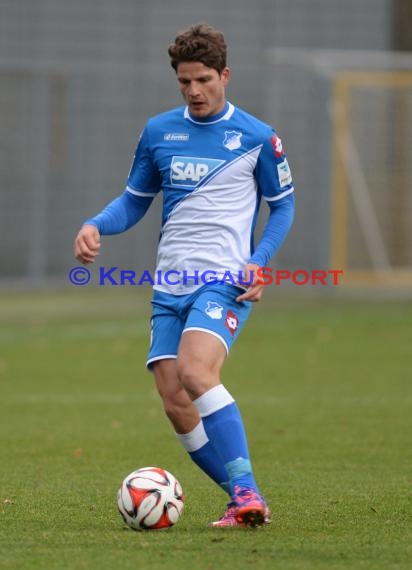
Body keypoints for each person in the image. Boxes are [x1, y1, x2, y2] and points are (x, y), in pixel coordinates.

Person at [74, 23, 295, 528]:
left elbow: (282, 207)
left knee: (197, 374)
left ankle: (244, 492)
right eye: (184, 82)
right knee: (175, 400)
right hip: (168, 286)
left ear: (224, 75)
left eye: (202, 80)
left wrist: (258, 260)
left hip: (223, 280)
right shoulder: (159, 132)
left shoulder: (258, 138)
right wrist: (95, 225)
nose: (194, 91)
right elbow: (134, 201)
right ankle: (243, 499)